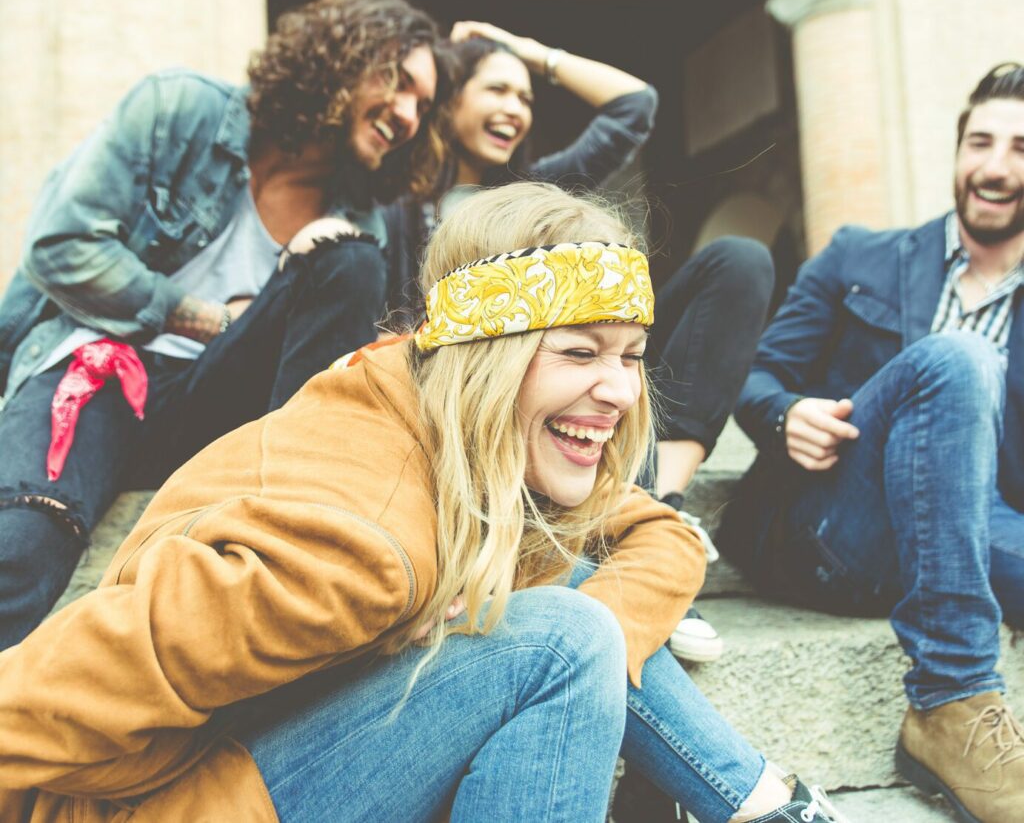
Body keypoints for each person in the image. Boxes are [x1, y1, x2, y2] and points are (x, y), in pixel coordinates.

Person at [0, 184, 844, 823]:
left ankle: (763, 806)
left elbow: (661, 532)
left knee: (571, 599)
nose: (621, 390)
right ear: (487, 358)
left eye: (631, 355)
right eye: (581, 352)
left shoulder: (441, 409)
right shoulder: (358, 550)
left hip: (265, 754)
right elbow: (53, 690)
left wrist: (582, 639)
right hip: (175, 804)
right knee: (562, 638)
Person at [0, 0, 449, 648]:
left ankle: (295, 518)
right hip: (102, 369)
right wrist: (210, 319)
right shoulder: (180, 108)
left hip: (218, 413)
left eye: (423, 104)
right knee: (24, 541)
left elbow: (333, 371)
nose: (409, 114)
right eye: (398, 80)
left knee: (350, 259)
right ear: (343, 55)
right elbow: (61, 246)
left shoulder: (356, 225)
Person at [381, 21, 775, 664]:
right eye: (496, 89)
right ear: (447, 100)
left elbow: (634, 105)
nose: (515, 108)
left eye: (525, 97)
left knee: (740, 263)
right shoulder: (397, 203)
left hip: (579, 366)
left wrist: (529, 51)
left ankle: (659, 503)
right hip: (474, 402)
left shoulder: (538, 187)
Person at [717, 62, 1024, 823]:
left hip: (974, 530)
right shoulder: (860, 255)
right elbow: (752, 373)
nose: (995, 166)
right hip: (836, 522)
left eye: (1021, 148)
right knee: (961, 360)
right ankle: (951, 697)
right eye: (981, 142)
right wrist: (786, 413)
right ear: (956, 151)